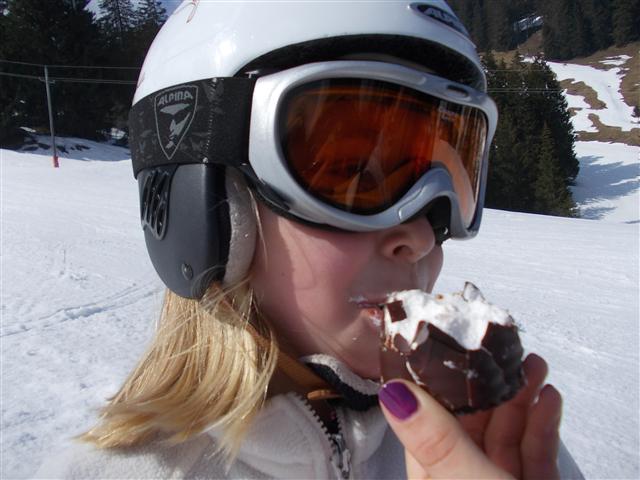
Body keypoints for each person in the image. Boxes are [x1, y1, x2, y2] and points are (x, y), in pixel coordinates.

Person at [36, 1, 584, 478]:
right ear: (204, 206)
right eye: (352, 175)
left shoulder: (491, 443)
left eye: (453, 176)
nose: (421, 234)